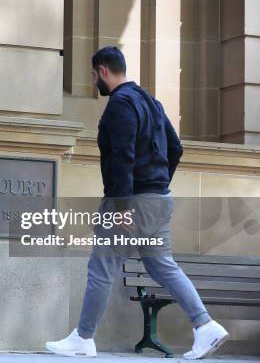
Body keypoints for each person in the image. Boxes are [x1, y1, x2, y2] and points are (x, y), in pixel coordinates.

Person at [45, 47, 229, 359]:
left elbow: (122, 157)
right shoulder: (151, 102)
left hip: (133, 202)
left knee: (102, 266)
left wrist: (122, 207)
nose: (94, 82)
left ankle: (83, 338)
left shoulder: (119, 104)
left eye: (93, 75)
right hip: (158, 200)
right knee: (161, 265)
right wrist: (157, 185)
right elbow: (176, 148)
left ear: (103, 70)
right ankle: (206, 326)